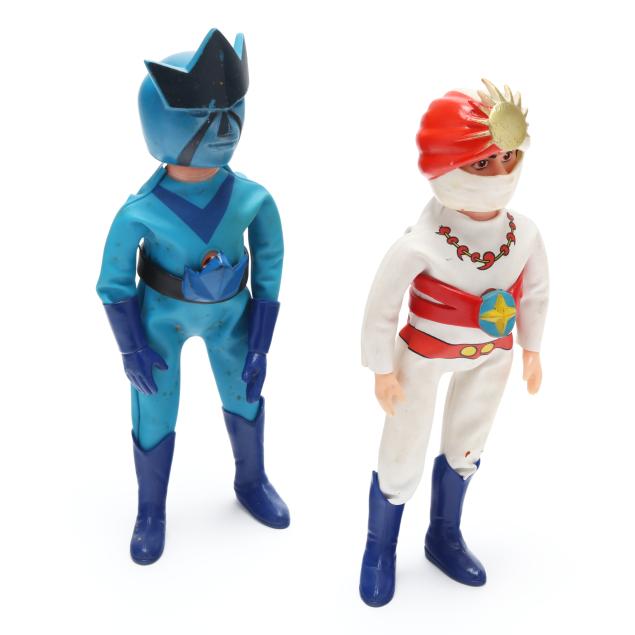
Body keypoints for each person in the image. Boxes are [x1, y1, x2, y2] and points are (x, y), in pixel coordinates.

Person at [96, 29, 289, 566]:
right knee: (155, 412)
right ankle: (151, 509)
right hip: (161, 324)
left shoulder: (251, 197)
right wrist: (132, 347)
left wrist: (260, 342)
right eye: (206, 116)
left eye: (231, 111)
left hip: (233, 320)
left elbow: (270, 267)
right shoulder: (141, 209)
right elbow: (113, 283)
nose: (225, 129)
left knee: (245, 397)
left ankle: (251, 480)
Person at [359, 80, 549, 606]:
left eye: (507, 157)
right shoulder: (419, 245)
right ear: (445, 167)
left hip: (492, 356)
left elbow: (535, 293)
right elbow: (381, 309)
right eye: (482, 162)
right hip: (423, 356)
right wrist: (382, 369)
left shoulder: (525, 235)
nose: (500, 172)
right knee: (403, 447)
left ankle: (444, 534)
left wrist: (532, 349)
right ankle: (379, 547)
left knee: (467, 443)